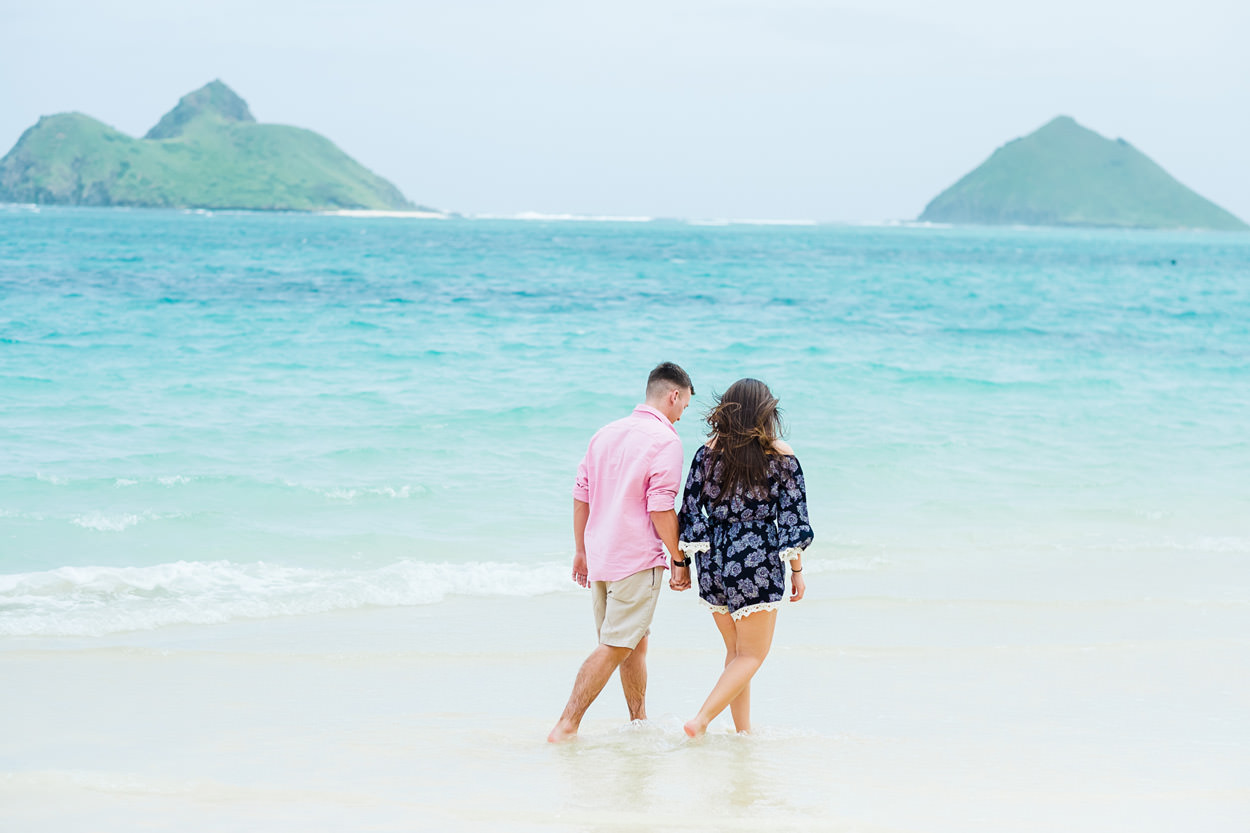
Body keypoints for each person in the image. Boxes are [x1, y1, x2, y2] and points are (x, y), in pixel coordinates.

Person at [547, 362, 695, 743]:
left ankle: (638, 721)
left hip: (601, 556)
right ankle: (566, 725)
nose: (682, 416)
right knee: (614, 646)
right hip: (636, 559)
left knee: (633, 644)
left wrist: (580, 551)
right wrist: (678, 558)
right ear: (673, 395)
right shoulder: (666, 441)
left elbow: (581, 494)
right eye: (684, 406)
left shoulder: (605, 434)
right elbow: (660, 507)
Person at [677, 378, 813, 737]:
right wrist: (796, 569)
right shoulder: (779, 454)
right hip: (757, 559)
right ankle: (701, 720)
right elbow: (792, 519)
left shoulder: (706, 453)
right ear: (765, 412)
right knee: (752, 656)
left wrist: (689, 562)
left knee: (738, 654)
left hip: (715, 560)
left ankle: (743, 734)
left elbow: (689, 511)